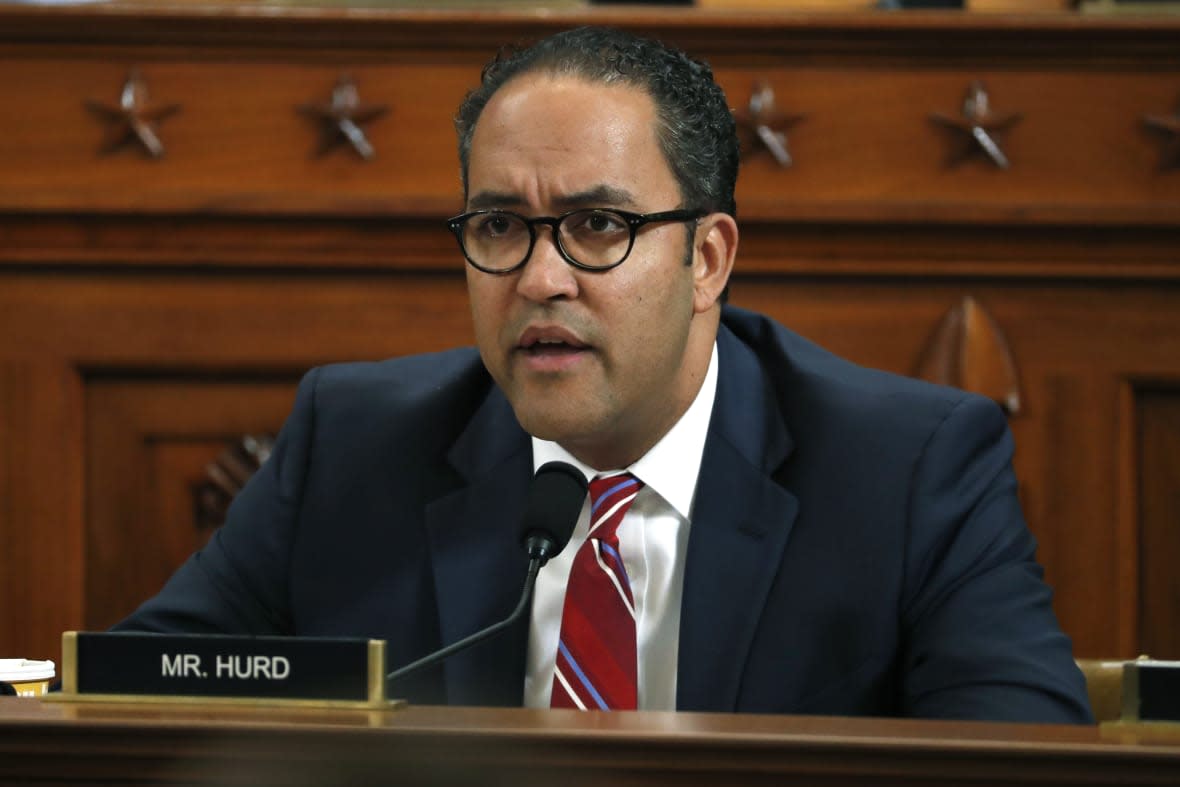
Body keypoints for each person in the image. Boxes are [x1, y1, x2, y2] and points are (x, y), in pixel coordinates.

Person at [115, 26, 1093, 722]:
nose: (541, 279)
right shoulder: (354, 446)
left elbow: (1018, 750)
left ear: (706, 259)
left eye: (599, 226)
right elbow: (133, 695)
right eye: (499, 226)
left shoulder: (906, 470)